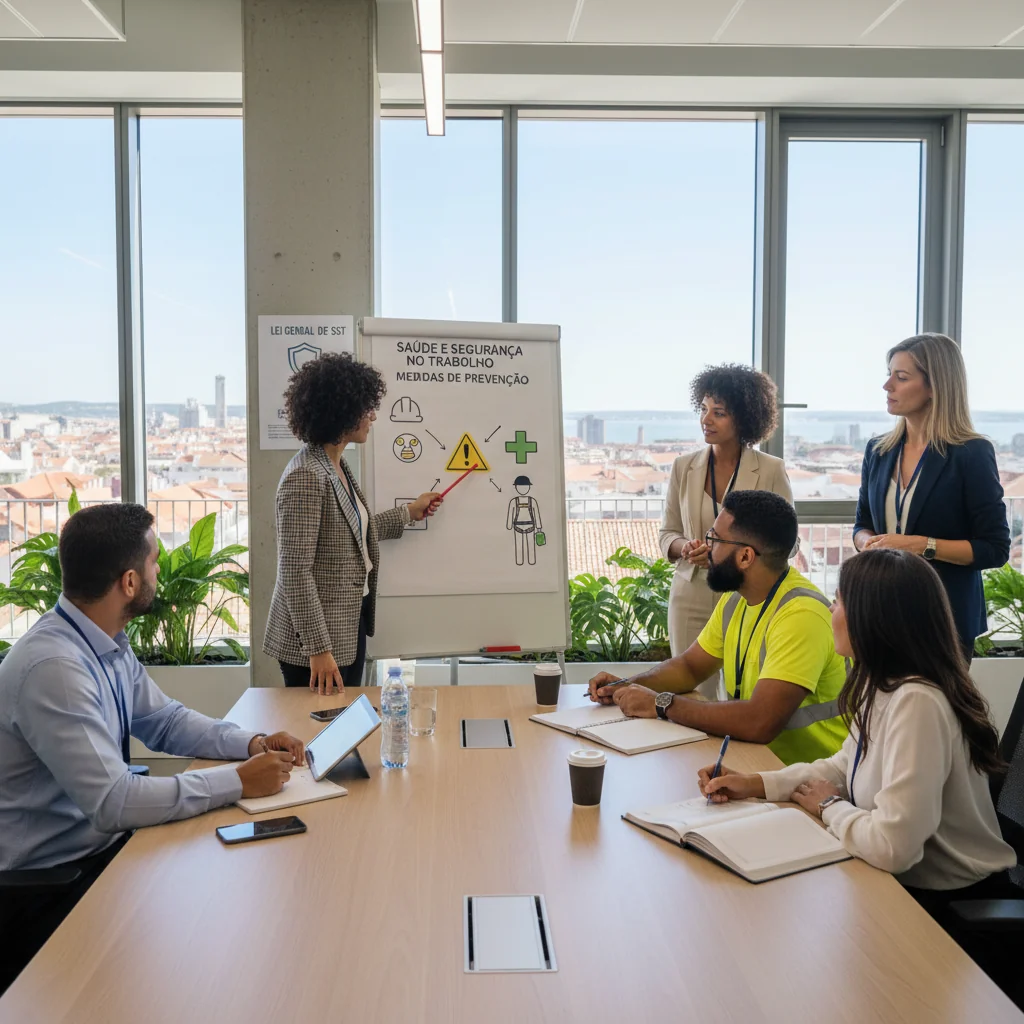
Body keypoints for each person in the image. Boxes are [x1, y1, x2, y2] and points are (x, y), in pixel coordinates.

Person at [0, 503, 305, 990]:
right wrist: (237, 781)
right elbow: (114, 801)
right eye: (154, 561)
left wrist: (251, 743)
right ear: (129, 582)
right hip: (53, 886)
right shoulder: (54, 669)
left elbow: (164, 720)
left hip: (103, 854)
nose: (159, 572)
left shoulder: (102, 642)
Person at [699, 549, 1016, 938]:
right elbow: (841, 766)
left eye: (838, 601)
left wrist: (829, 807)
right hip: (900, 888)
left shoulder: (918, 702)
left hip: (953, 911)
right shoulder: (881, 684)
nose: (831, 610)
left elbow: (893, 847)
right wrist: (756, 784)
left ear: (872, 618)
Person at [591, 490, 848, 765]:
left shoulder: (802, 615)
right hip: (758, 764)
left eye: (714, 539)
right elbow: (690, 667)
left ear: (745, 557)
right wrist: (626, 686)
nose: (707, 547)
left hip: (813, 775)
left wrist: (661, 703)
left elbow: (759, 722)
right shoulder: (737, 598)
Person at [263, 353, 442, 693]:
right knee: (322, 723)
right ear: (341, 411)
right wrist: (318, 649)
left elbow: (352, 532)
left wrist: (409, 512)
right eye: (366, 407)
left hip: (346, 627)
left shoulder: (334, 465)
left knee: (343, 719)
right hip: (316, 645)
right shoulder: (306, 476)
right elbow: (295, 572)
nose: (373, 416)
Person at [853, 333, 1009, 661]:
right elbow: (861, 524)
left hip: (944, 620)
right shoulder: (878, 450)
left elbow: (994, 549)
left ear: (935, 386)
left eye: (901, 377)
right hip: (881, 612)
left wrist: (919, 545)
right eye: (889, 374)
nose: (887, 386)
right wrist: (869, 543)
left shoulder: (971, 453)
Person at [659, 365, 792, 689]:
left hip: (747, 594)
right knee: (688, 690)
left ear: (744, 418)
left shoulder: (771, 470)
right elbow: (667, 534)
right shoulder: (683, 467)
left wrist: (735, 556)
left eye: (718, 413)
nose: (706, 419)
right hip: (691, 594)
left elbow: (788, 541)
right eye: (703, 409)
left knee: (745, 688)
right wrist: (686, 548)